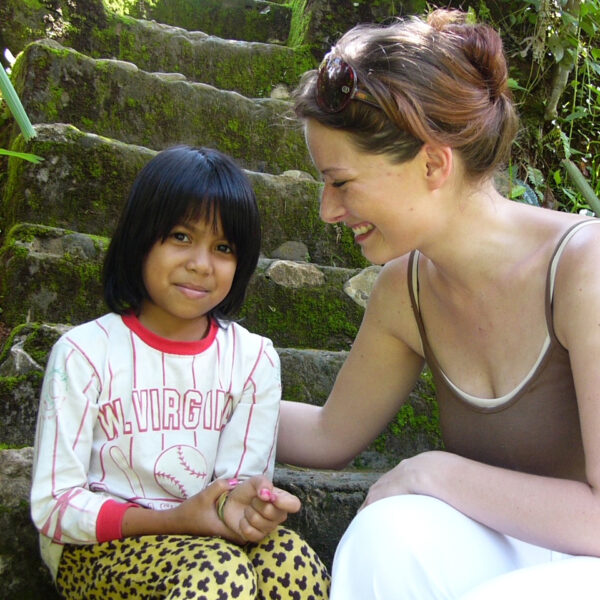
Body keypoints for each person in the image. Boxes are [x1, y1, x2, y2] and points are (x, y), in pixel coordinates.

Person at [276, 8, 600, 599]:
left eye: (341, 182)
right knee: (386, 539)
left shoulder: (584, 269)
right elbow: (329, 434)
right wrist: (202, 394)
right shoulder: (406, 291)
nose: (327, 209)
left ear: (432, 163)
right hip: (515, 549)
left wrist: (437, 471)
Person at [30, 145, 330, 600]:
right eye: (180, 237)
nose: (201, 264)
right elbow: (55, 504)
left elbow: (236, 485)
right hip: (96, 550)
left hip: (208, 540)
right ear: (140, 237)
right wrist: (174, 521)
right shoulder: (83, 354)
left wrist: (248, 509)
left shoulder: (253, 358)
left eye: (223, 247)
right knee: (220, 572)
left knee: (292, 562)